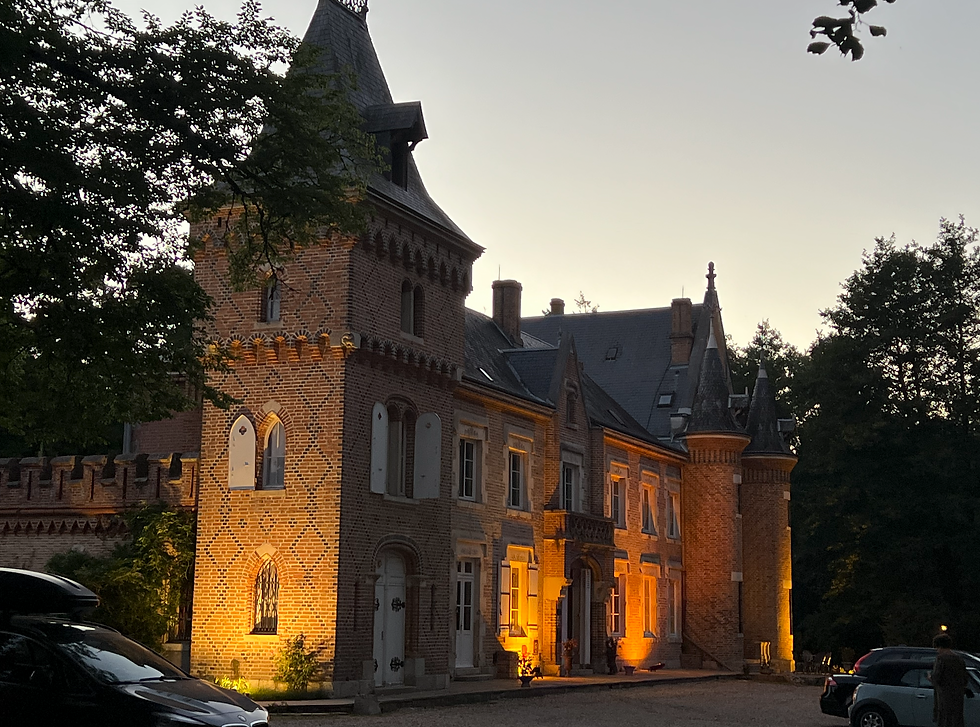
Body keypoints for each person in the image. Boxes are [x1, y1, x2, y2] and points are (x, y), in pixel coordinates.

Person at [929, 633, 968, 727]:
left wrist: (930, 677)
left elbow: (936, 677)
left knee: (945, 719)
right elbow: (965, 678)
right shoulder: (959, 659)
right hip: (958, 696)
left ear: (939, 646)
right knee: (957, 719)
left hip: (944, 695)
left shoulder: (941, 659)